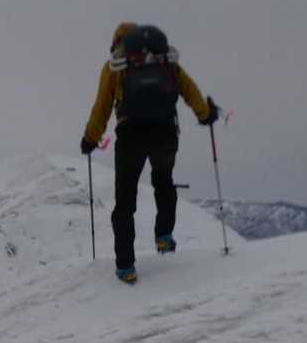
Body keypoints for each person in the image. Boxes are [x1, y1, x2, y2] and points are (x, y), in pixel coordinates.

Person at [81, 22, 219, 283]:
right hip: (165, 133)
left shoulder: (115, 66)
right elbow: (189, 90)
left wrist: (90, 139)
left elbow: (102, 108)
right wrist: (205, 114)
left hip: (131, 136)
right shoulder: (165, 60)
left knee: (125, 200)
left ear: (117, 42)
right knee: (163, 180)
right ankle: (164, 237)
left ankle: (126, 267)